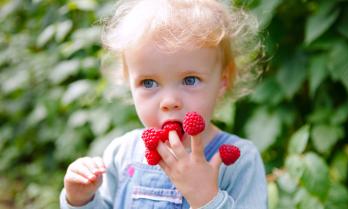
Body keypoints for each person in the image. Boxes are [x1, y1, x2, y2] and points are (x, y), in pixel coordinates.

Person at [60, 0, 267, 208]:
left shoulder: (238, 162)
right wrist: (80, 200)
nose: (169, 102)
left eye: (190, 80)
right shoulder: (121, 155)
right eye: (148, 83)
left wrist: (206, 198)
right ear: (129, 83)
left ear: (223, 81)